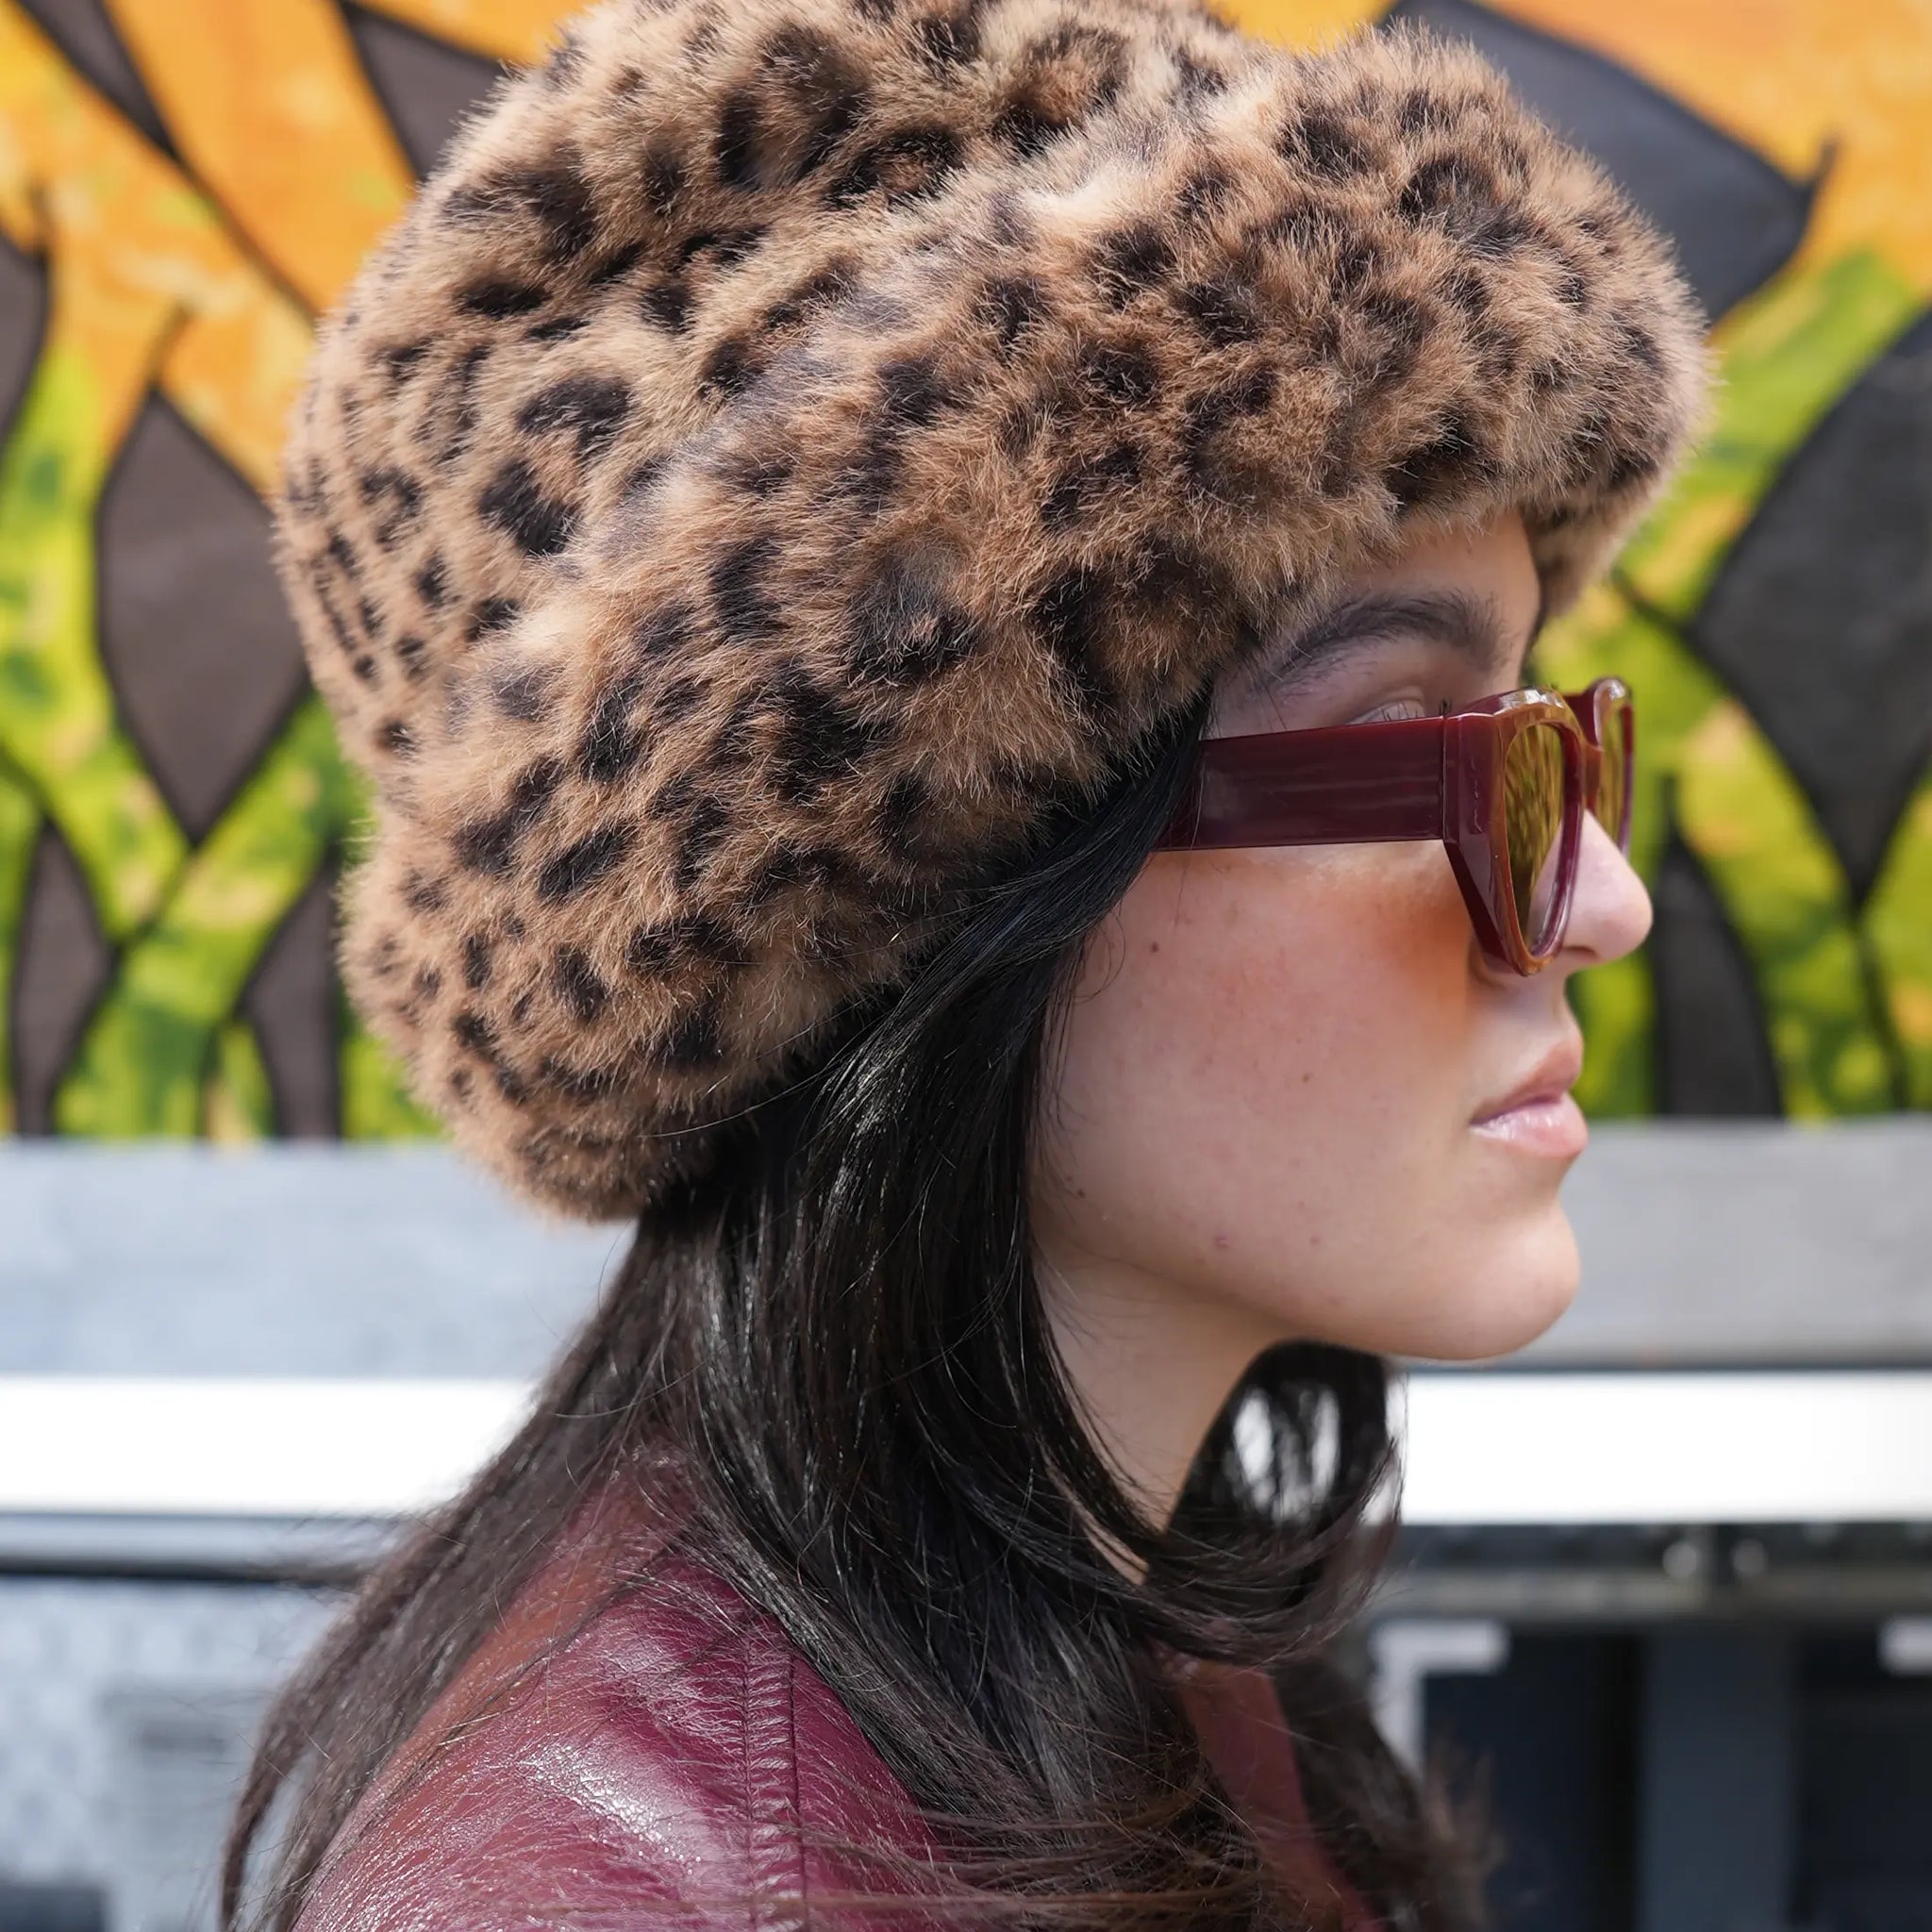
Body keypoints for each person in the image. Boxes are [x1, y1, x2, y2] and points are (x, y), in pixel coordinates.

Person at [227, 0, 1707, 1924]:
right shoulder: (654, 1888)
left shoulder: (1105, 1634)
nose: (1600, 903)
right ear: (952, 877)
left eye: (1552, 737)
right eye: (1431, 744)